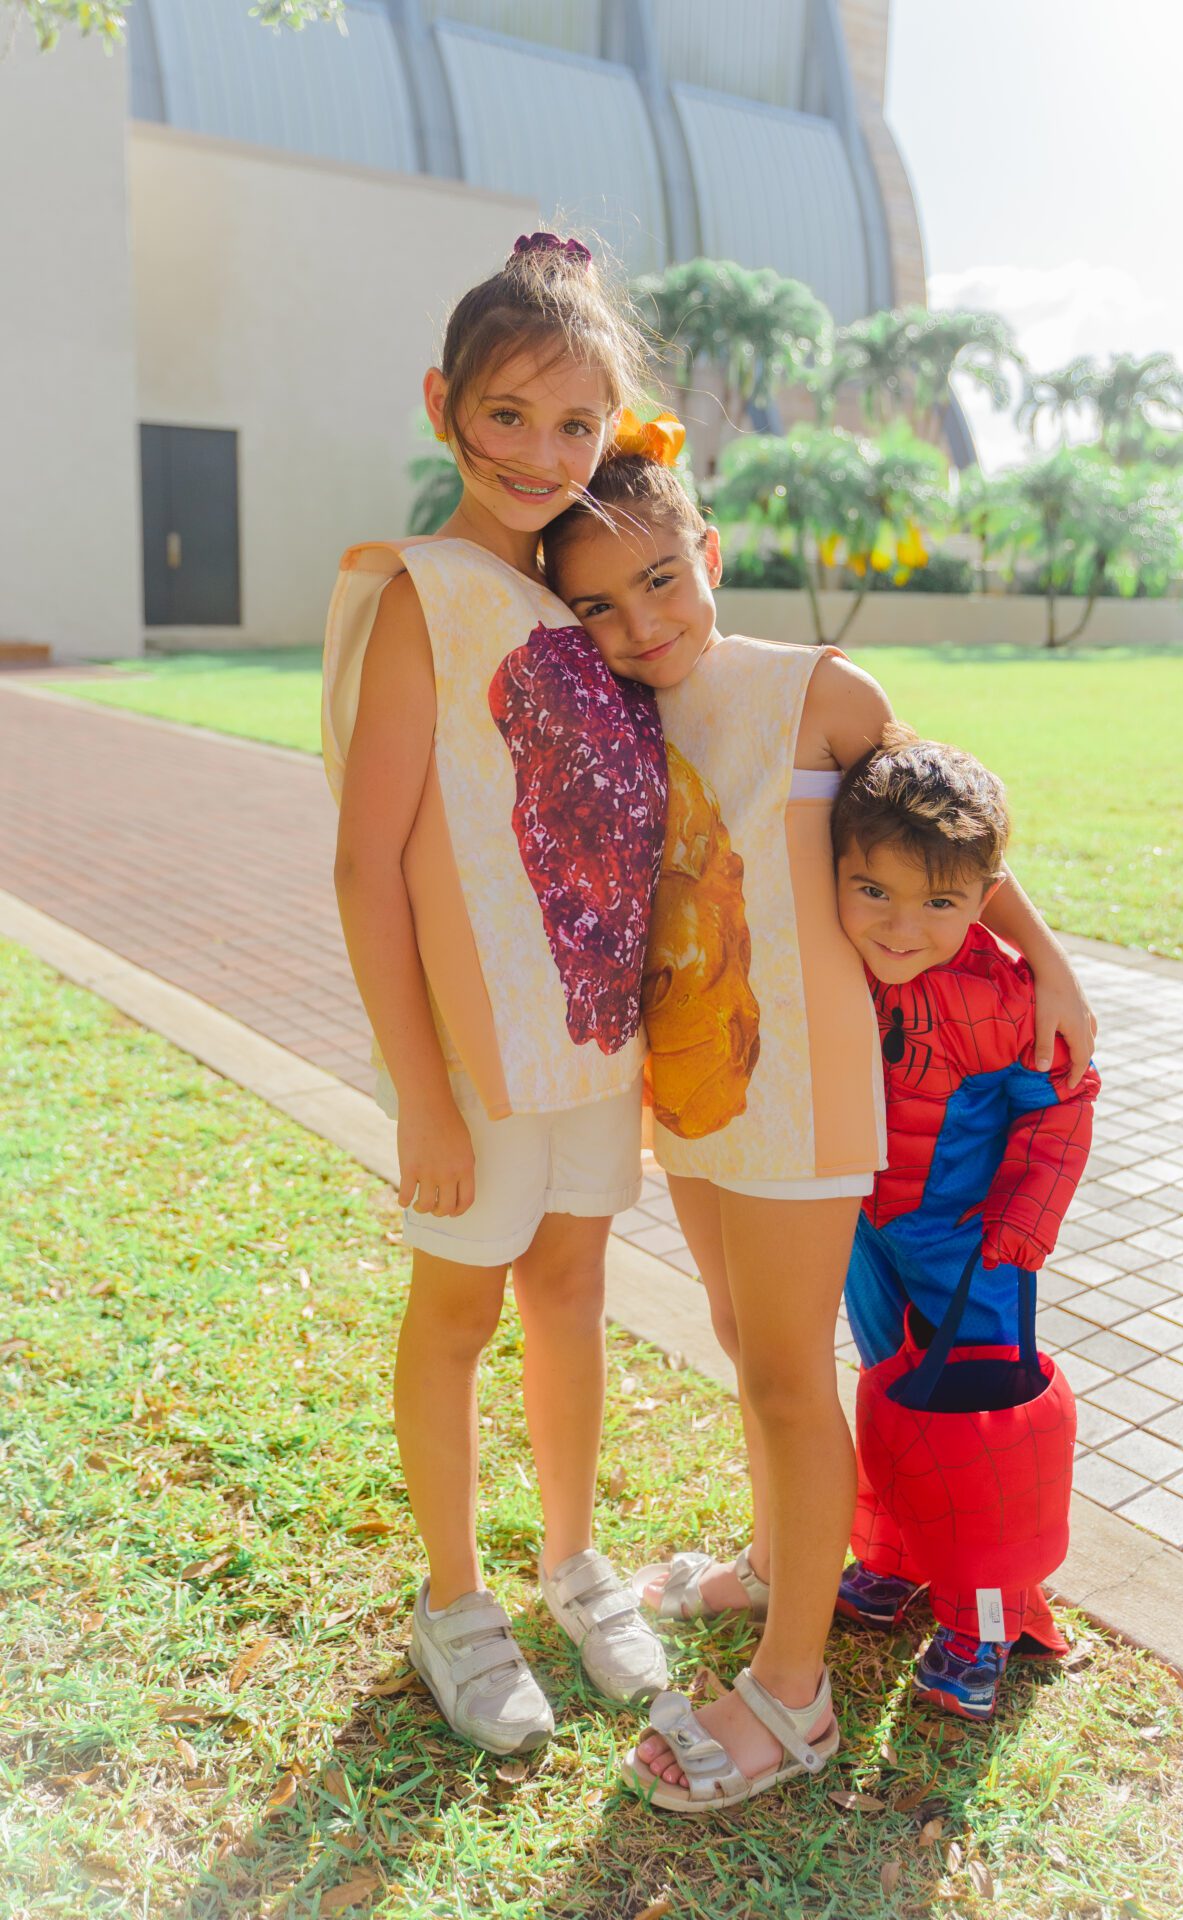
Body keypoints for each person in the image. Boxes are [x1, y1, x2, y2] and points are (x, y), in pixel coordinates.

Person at [541, 441, 1097, 1812]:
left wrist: (1049, 962)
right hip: (694, 1075)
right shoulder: (616, 708)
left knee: (789, 1374)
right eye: (598, 604)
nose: (641, 624)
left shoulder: (821, 691)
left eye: (660, 580)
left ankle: (792, 1693)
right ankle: (779, 1561)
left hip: (806, 1082)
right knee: (745, 1340)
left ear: (708, 554)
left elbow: (946, 844)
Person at [322, 234, 671, 1758]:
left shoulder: (584, 601)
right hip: (474, 1058)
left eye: (575, 422)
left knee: (573, 1292)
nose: (540, 453)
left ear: (615, 430)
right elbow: (367, 865)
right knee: (460, 1310)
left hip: (594, 1038)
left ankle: (576, 1563)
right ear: (441, 405)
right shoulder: (424, 593)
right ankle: (456, 1600)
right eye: (507, 414)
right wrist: (420, 1092)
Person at [831, 729, 1099, 1721]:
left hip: (972, 1256)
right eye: (874, 891)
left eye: (938, 903)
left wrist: (1021, 1226)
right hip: (862, 1234)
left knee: (980, 1429)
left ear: (985, 897)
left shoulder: (1001, 995)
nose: (902, 927)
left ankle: (981, 1623)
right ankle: (895, 1557)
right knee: (891, 1393)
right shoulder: (833, 957)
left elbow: (1062, 1101)